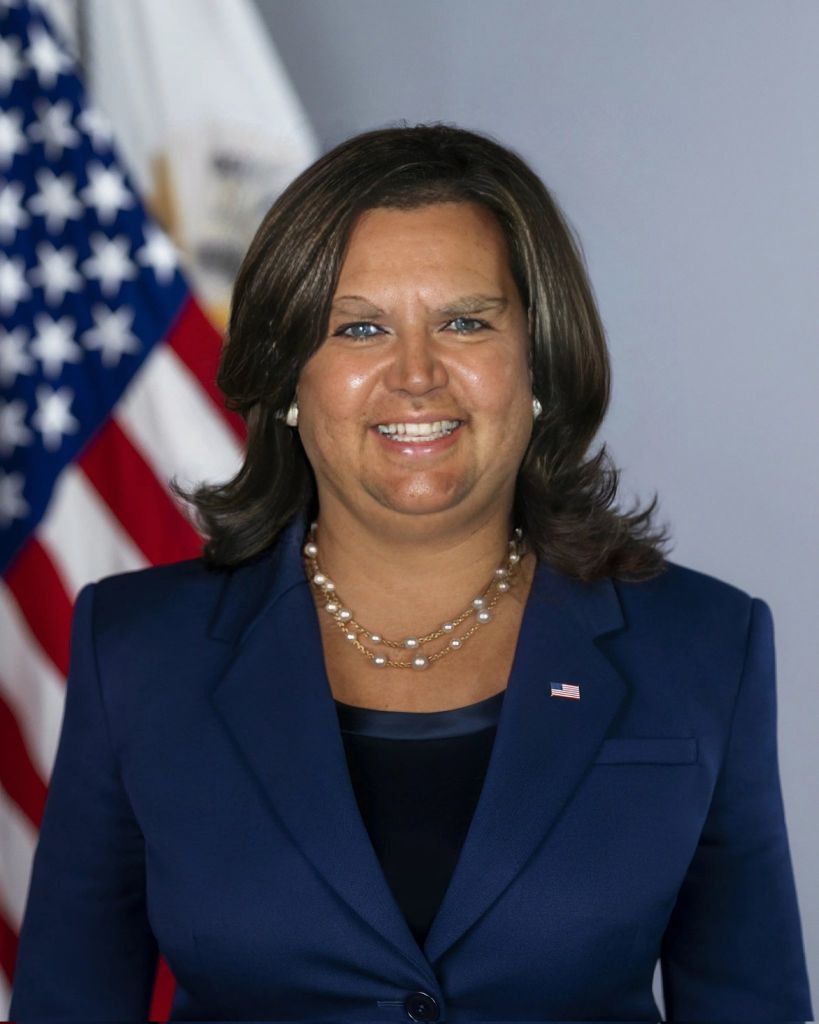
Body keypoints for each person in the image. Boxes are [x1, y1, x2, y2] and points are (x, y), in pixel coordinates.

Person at [10, 123, 812, 1023]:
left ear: (537, 359)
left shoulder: (703, 647)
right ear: (287, 375)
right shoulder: (137, 651)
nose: (417, 375)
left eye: (465, 322)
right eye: (359, 328)